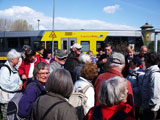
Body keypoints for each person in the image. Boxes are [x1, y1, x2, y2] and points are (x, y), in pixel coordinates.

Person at [94, 52, 134, 117]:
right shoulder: (126, 83)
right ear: (124, 65)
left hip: (99, 116)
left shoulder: (100, 78)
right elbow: (131, 108)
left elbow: (96, 100)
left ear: (109, 63)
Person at [0, 49, 22, 120]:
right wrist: (18, 87)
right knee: (6, 117)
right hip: (7, 99)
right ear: (12, 60)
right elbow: (4, 84)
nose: (19, 60)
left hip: (14, 98)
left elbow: (19, 79)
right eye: (17, 58)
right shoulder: (5, 69)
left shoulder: (14, 68)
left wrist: (20, 84)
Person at [141, 52, 160, 120]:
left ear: (150, 61)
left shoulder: (154, 74)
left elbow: (155, 91)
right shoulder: (149, 72)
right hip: (147, 107)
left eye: (145, 60)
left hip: (152, 110)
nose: (144, 62)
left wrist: (151, 107)